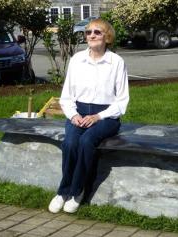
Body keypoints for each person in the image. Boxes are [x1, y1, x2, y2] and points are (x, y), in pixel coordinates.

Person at [48, 18, 129, 214]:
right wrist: (74, 115)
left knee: (87, 142)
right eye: (88, 32)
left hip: (106, 117)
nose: (91, 35)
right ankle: (62, 191)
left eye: (97, 32)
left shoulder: (116, 62)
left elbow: (121, 101)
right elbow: (66, 97)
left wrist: (98, 117)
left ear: (107, 36)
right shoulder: (77, 60)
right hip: (79, 113)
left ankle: (77, 191)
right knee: (70, 143)